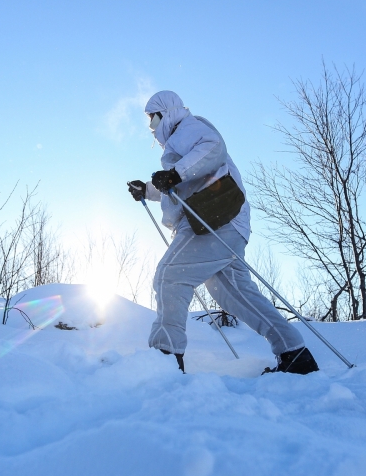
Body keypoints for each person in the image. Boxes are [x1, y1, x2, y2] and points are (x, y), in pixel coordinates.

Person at [128, 90, 319, 375]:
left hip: (214, 221)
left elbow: (211, 147)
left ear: (166, 112)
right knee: (238, 297)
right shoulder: (180, 142)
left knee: (171, 275)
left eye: (153, 118)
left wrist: (175, 174)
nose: (152, 127)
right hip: (226, 224)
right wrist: (149, 189)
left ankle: (165, 358)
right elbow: (181, 182)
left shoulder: (188, 127)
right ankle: (295, 354)